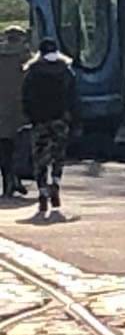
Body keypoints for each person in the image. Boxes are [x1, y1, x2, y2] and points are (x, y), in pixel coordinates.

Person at [21, 38, 79, 219]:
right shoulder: (66, 71)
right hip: (60, 120)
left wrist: (30, 116)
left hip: (40, 121)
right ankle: (56, 183)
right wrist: (75, 119)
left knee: (40, 159)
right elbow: (74, 98)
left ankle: (42, 192)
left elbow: (26, 97)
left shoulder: (32, 72)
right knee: (58, 156)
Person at [0, 26, 28, 197]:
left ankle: (8, 181)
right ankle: (16, 178)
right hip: (21, 111)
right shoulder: (26, 58)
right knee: (20, 148)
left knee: (3, 148)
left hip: (1, 112)